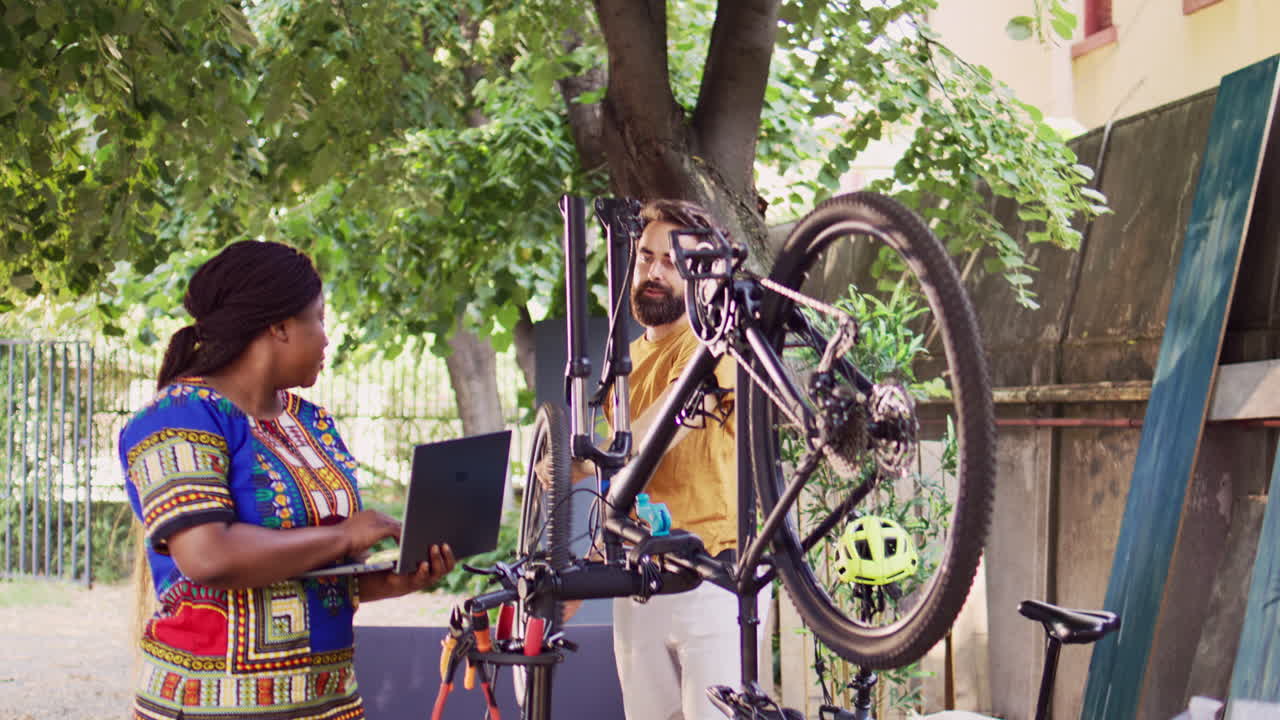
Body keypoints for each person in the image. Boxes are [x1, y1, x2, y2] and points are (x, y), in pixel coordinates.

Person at [119, 240, 455, 720]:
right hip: (210, 708)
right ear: (278, 327)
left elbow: (314, 572)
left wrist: (390, 580)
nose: (326, 337)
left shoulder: (311, 423)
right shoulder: (176, 417)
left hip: (328, 704)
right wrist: (343, 534)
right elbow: (208, 556)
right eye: (318, 319)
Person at [574, 199, 770, 720]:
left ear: (701, 275)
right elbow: (620, 488)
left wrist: (586, 459)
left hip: (712, 578)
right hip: (639, 581)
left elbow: (664, 429)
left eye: (672, 261)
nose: (655, 271)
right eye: (646, 257)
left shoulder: (715, 346)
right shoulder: (627, 360)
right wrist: (585, 570)